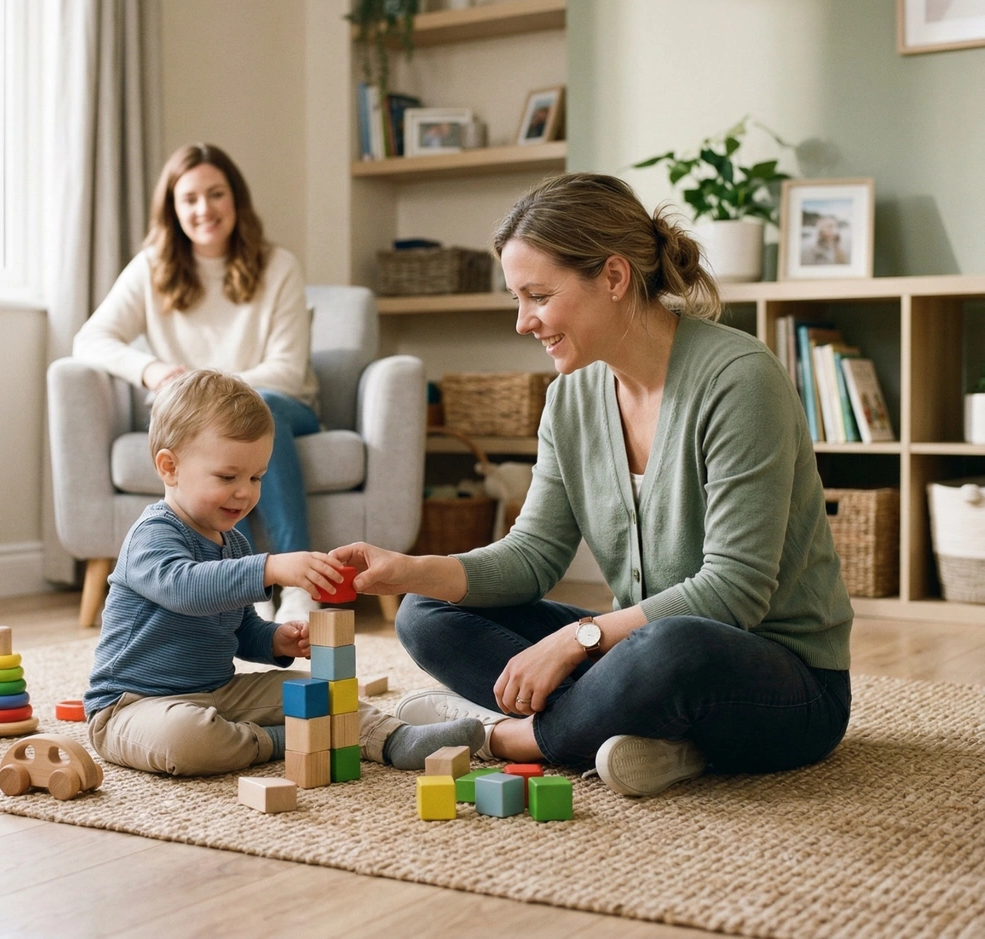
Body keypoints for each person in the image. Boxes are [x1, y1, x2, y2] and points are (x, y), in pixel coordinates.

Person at [335, 172, 854, 798]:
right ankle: (649, 739)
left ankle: (502, 736)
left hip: (783, 682)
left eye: (537, 296)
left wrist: (578, 640)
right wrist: (413, 570)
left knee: (671, 650)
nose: (523, 322)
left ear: (613, 278)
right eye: (516, 300)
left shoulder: (740, 380)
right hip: (645, 648)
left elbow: (735, 593)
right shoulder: (570, 399)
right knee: (428, 612)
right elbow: (532, 556)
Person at [84, 370, 484, 777]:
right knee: (188, 740)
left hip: (218, 692)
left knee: (316, 689)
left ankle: (392, 738)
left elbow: (238, 630)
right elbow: (186, 588)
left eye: (256, 477)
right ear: (169, 467)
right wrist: (271, 566)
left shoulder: (234, 543)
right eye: (228, 477)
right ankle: (286, 740)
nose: (245, 491)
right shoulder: (152, 535)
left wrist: (276, 640)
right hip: (132, 706)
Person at [73, 143, 319, 624]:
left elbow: (287, 369)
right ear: (173, 209)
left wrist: (207, 392)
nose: (203, 209)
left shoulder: (279, 266)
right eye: (189, 199)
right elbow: (90, 338)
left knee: (259, 408)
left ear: (236, 200)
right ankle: (242, 585)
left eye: (216, 194)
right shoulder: (151, 268)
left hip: (283, 406)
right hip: (199, 419)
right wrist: (153, 371)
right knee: (218, 435)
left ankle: (299, 591)